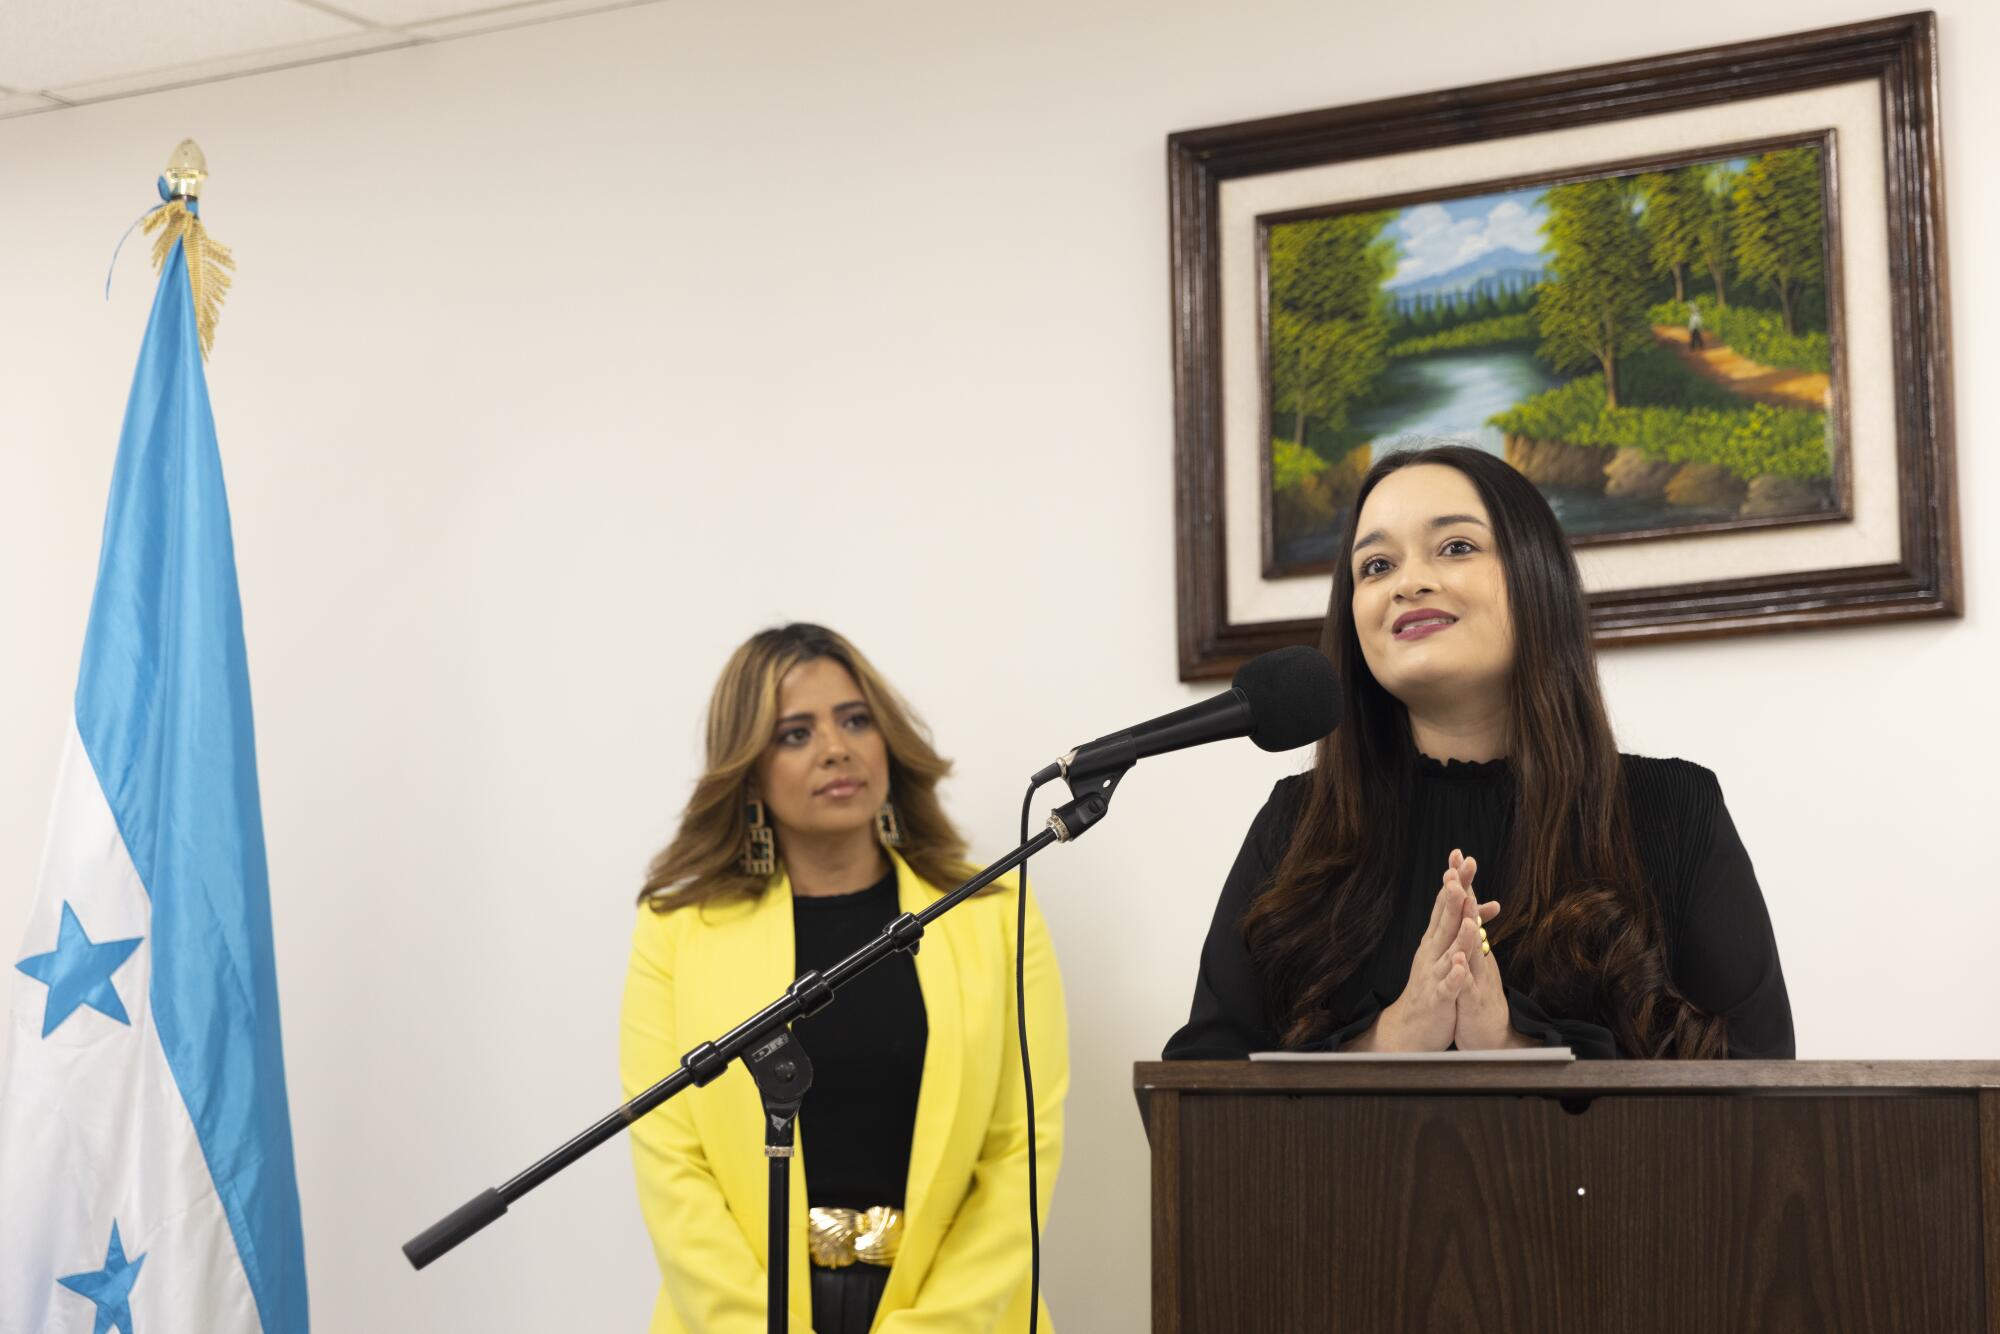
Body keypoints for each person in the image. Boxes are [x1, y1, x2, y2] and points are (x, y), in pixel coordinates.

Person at [1164, 445, 1792, 1061]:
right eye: (1376, 566)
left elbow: (1761, 1092)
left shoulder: (1677, 812)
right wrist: (1391, 1039)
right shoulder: (1295, 825)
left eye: (1456, 547)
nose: (1409, 582)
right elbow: (1195, 1101)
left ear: (1535, 578)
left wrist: (1512, 1046)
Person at [621, 624, 1066, 1332]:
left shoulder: (993, 913)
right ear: (750, 771)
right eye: (795, 734)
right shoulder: (677, 928)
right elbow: (672, 1165)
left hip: (956, 1317)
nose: (837, 747)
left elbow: (1020, 1153)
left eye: (855, 720)